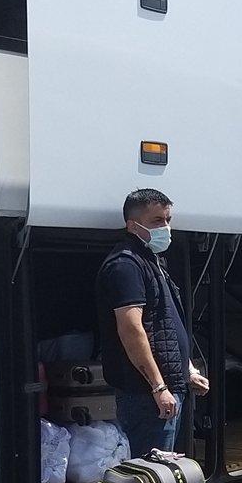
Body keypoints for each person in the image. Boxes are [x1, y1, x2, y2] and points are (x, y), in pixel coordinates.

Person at [96, 189, 208, 457]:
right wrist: (159, 387)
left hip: (169, 390)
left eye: (168, 219)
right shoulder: (125, 265)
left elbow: (166, 323)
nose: (166, 228)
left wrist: (187, 371)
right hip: (147, 397)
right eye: (158, 221)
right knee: (150, 475)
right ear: (133, 225)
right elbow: (131, 329)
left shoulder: (152, 261)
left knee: (164, 474)